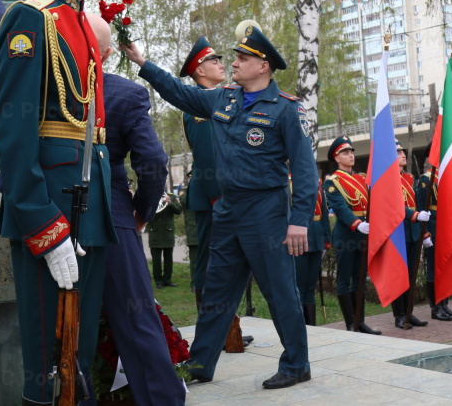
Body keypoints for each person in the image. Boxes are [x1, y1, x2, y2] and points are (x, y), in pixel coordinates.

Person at [0, 0, 187, 405]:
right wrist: (141, 212)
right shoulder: (125, 90)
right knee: (126, 315)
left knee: (69, 325)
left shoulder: (95, 83)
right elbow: (153, 164)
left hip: (99, 203)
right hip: (110, 207)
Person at [121, 24, 317, 389]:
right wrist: (142, 63)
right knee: (217, 289)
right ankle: (200, 363)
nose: (235, 63)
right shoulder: (223, 98)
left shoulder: (287, 110)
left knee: (279, 291)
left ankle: (296, 364)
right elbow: (179, 92)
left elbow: (305, 170)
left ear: (263, 66)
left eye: (243, 58)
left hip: (266, 211)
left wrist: (299, 220)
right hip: (228, 211)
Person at [179, 36, 225, 304]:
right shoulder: (198, 105)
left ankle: (226, 327)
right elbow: (208, 157)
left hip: (221, 196)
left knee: (222, 258)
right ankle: (212, 328)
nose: (220, 64)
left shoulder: (217, 99)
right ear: (199, 70)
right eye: (213, 60)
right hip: (213, 198)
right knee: (210, 259)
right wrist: (220, 196)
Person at [324, 136, 380, 335]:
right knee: (344, 279)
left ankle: (360, 321)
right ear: (337, 158)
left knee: (359, 280)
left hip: (363, 235)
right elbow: (340, 208)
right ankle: (350, 324)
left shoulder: (360, 179)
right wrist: (357, 224)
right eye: (345, 153)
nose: (351, 155)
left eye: (351, 152)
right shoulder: (332, 182)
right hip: (347, 235)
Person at [416, 158, 452, 322]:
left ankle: (444, 304)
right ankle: (435, 307)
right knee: (433, 269)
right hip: (434, 228)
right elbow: (422, 207)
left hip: (446, 228)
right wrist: (426, 233)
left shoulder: (444, 178)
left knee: (445, 268)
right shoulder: (425, 180)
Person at [391, 140, 430, 329]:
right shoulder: (387, 179)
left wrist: (423, 231)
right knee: (398, 274)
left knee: (411, 275)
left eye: (403, 152)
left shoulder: (408, 178)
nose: (403, 154)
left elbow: (413, 202)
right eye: (398, 152)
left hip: (413, 230)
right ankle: (399, 315)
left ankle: (409, 312)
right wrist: (414, 215)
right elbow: (394, 205)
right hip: (398, 231)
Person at [294, 178, 331, 326]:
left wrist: (326, 237)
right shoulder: (290, 183)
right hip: (298, 235)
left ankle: (310, 326)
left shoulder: (317, 183)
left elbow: (324, 212)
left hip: (317, 236)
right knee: (300, 285)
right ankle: (298, 325)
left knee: (311, 285)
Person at [148, 192, 182, 288]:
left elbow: (179, 210)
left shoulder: (172, 196)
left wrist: (170, 203)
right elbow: (145, 212)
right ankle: (158, 281)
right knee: (156, 260)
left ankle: (167, 280)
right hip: (155, 232)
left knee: (168, 258)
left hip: (168, 232)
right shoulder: (150, 196)